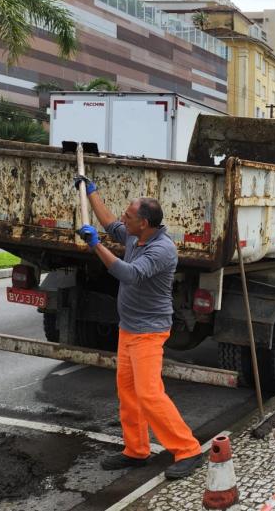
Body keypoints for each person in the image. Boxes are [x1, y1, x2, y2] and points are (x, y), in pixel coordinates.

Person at [74, 176, 204, 480]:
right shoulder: (135, 236)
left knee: (149, 395)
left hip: (149, 331)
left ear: (144, 222)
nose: (123, 218)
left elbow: (129, 274)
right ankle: (136, 451)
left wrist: (95, 246)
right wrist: (91, 192)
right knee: (128, 393)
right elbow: (108, 223)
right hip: (128, 328)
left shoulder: (162, 250)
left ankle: (188, 450)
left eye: (129, 216)